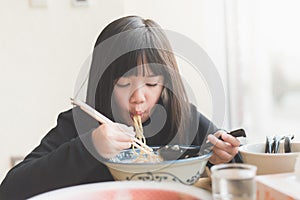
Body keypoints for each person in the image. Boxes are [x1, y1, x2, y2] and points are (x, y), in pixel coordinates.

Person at [0, 16, 240, 199]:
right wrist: (89, 147)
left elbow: (240, 173)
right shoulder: (81, 124)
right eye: (124, 83)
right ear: (104, 83)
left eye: (151, 83)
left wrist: (222, 160)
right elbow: (11, 190)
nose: (138, 97)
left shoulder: (184, 119)